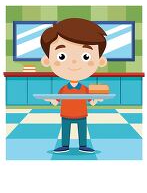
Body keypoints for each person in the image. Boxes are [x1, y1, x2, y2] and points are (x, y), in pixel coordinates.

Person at [41, 18, 107, 153]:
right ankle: (64, 145)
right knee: (65, 130)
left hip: (82, 114)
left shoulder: (84, 89)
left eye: (86, 56)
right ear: (47, 60)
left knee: (82, 130)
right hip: (65, 114)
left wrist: (98, 99)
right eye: (62, 56)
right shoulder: (64, 89)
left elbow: (92, 102)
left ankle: (83, 145)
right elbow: (56, 101)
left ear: (100, 60)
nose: (74, 62)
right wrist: (50, 100)